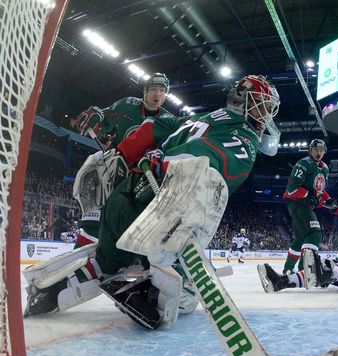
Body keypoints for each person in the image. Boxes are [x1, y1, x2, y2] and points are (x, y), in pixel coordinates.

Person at [24, 75, 281, 328]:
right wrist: (169, 165)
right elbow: (213, 165)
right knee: (187, 294)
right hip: (156, 208)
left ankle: (52, 293)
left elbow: (154, 127)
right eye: (265, 106)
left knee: (106, 262)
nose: (267, 114)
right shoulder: (244, 138)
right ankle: (150, 293)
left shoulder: (203, 118)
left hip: (125, 194)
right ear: (247, 101)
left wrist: (123, 153)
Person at [71, 73, 176, 247]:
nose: (157, 94)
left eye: (161, 90)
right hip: (113, 169)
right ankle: (81, 252)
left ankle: (131, 261)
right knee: (95, 215)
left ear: (166, 94)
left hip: (141, 179)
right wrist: (96, 116)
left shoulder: (168, 120)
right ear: (144, 91)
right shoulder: (127, 105)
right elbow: (102, 120)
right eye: (152, 90)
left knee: (136, 224)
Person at [281, 139, 338, 273]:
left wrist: (330, 201)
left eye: (321, 150)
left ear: (324, 151)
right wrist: (310, 196)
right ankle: (305, 269)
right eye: (315, 150)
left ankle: (288, 269)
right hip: (297, 203)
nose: (318, 152)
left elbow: (320, 190)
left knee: (300, 239)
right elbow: (292, 188)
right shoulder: (303, 164)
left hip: (305, 205)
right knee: (314, 233)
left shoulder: (325, 168)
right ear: (310, 150)